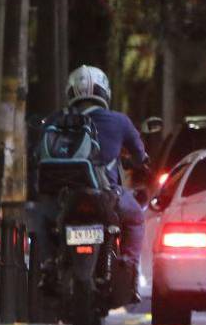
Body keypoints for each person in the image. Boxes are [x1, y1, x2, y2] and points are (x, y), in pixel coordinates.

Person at [32, 66, 150, 290]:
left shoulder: (57, 120)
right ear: (104, 92)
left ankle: (48, 265)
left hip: (63, 198)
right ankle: (128, 265)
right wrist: (140, 160)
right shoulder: (120, 121)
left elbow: (37, 152)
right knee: (136, 218)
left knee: (43, 218)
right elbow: (139, 154)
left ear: (71, 93)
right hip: (106, 195)